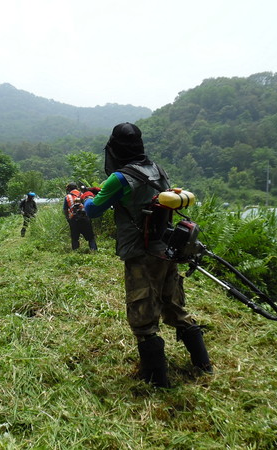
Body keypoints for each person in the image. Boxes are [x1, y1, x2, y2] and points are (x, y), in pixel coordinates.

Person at [82, 122, 212, 388]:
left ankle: (157, 380)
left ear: (114, 148)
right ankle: (204, 365)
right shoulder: (157, 169)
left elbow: (93, 210)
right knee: (174, 306)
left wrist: (85, 197)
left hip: (140, 253)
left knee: (143, 315)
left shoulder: (119, 177)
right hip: (165, 249)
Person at [63, 183, 97, 251]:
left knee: (75, 238)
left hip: (74, 218)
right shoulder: (83, 194)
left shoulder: (67, 197)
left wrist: (68, 218)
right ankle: (94, 250)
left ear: (69, 189)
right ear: (77, 188)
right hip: (85, 217)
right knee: (90, 237)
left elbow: (65, 210)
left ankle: (76, 251)